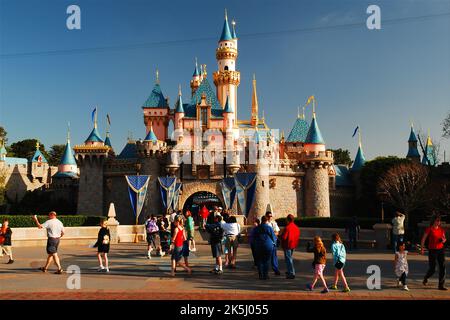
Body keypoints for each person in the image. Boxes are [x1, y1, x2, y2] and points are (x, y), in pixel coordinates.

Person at [420, 214, 447, 290]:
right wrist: (422, 248)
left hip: (441, 249)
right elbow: (423, 239)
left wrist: (443, 240)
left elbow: (444, 239)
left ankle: (441, 285)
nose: (439, 222)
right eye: (437, 220)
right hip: (432, 250)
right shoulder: (429, 229)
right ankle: (426, 277)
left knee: (442, 267)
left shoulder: (441, 229)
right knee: (433, 268)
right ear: (434, 221)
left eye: (439, 221)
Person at [253, 216, 277, 280]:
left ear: (261, 220)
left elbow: (253, 237)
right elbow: (273, 237)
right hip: (268, 245)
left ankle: (260, 275)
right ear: (266, 221)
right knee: (266, 260)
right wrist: (274, 244)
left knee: (259, 260)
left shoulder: (257, 228)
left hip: (258, 245)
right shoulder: (269, 228)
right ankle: (265, 275)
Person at [280, 214, 300, 279]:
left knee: (288, 259)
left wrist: (279, 237)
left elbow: (284, 237)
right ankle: (289, 271)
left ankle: (291, 272)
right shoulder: (296, 227)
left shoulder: (287, 228)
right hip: (293, 245)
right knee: (289, 258)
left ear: (288, 219)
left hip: (287, 245)